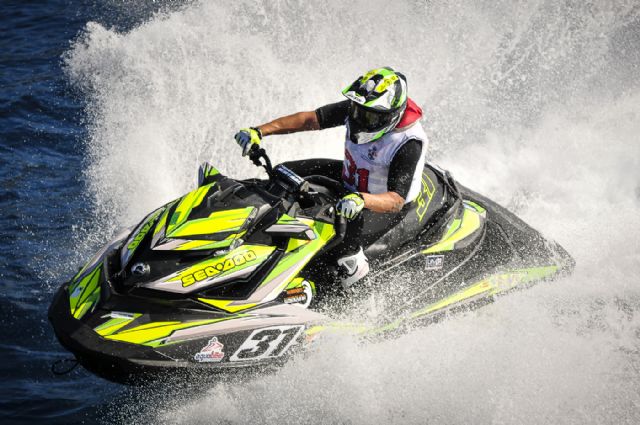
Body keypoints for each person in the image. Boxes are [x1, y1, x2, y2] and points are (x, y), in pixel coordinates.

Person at [234, 67, 428, 288]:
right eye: (358, 110)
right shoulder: (359, 110)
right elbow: (310, 119)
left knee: (340, 250)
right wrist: (259, 131)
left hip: (380, 205)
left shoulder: (408, 142)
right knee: (283, 173)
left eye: (369, 116)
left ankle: (357, 291)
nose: (359, 119)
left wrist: (361, 199)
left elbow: (396, 200)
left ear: (391, 116)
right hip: (351, 178)